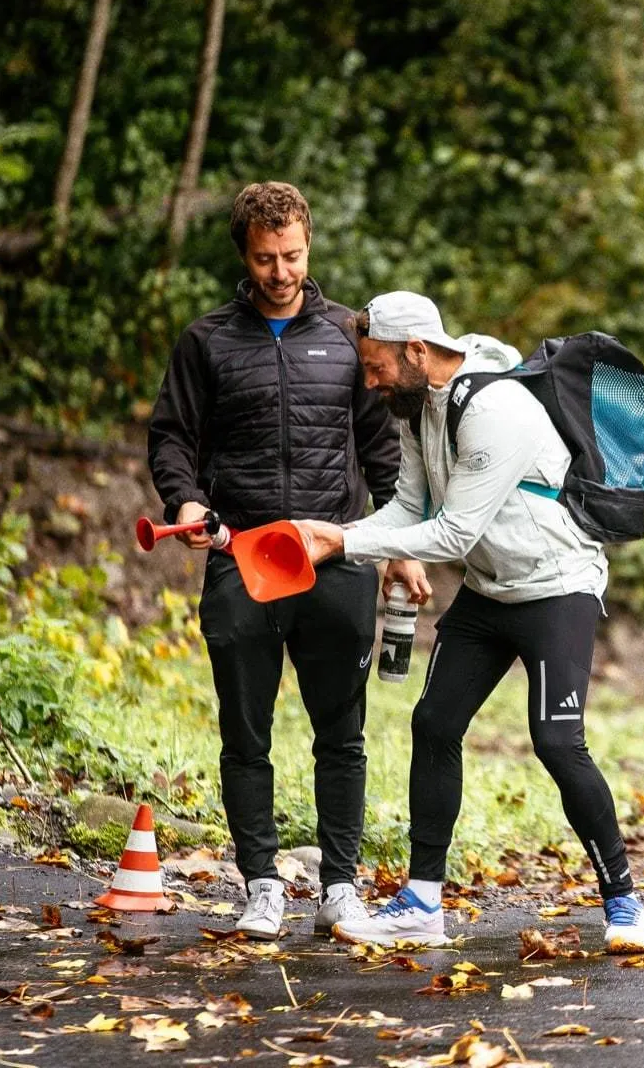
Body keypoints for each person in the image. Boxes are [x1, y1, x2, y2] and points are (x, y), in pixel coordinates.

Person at [288, 291, 644, 953]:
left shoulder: (496, 408)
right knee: (433, 722)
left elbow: (454, 533)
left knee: (557, 743)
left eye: (376, 368)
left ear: (417, 351)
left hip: (555, 589)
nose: (369, 384)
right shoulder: (417, 406)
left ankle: (625, 904)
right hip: (490, 593)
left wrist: (343, 545)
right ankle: (423, 902)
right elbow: (408, 508)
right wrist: (336, 534)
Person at [147, 182, 425, 939]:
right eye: (266, 258)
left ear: (309, 245)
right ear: (244, 254)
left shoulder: (347, 336)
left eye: (293, 255)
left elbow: (382, 453)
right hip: (241, 554)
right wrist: (185, 501)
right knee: (246, 733)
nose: (281, 271)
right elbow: (172, 437)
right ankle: (262, 885)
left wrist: (398, 547)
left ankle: (341, 889)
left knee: (342, 732)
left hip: (335, 552)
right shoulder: (206, 341)